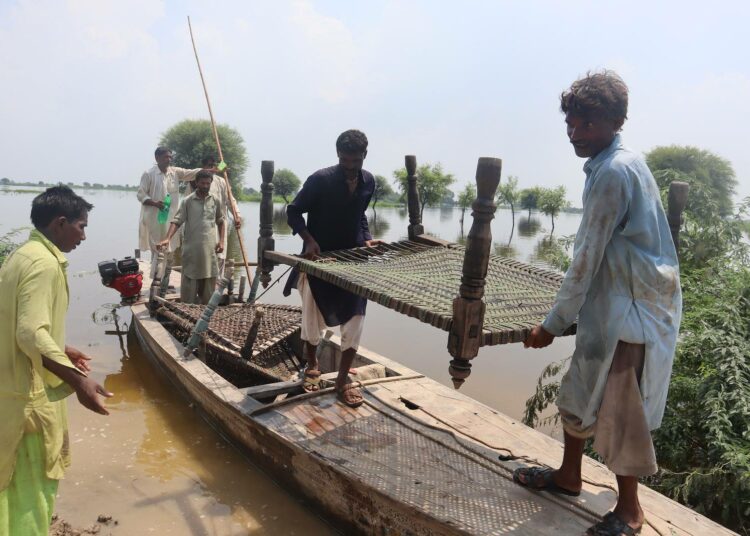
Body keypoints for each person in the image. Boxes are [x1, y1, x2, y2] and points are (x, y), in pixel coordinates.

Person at [514, 71, 681, 536]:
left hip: (634, 310)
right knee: (580, 387)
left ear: (615, 121)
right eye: (570, 123)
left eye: (586, 123)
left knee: (622, 405)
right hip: (615, 300)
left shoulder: (614, 171)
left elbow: (585, 259)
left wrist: (551, 324)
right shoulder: (612, 163)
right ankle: (570, 476)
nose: (574, 133)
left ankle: (629, 510)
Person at [0, 185, 113, 535]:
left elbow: (17, 322)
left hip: (10, 394)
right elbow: (30, 333)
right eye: (82, 226)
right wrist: (78, 382)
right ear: (61, 223)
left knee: (10, 486)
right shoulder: (45, 265)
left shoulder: (21, 256)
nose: (83, 235)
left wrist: (62, 349)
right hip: (30, 404)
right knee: (32, 494)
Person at [283, 129, 380, 408]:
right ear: (338, 155)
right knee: (312, 316)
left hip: (352, 260)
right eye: (345, 160)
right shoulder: (320, 180)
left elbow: (360, 214)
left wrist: (367, 238)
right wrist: (310, 241)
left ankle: (341, 380)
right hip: (319, 258)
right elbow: (293, 212)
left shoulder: (369, 181)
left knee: (355, 318)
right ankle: (312, 363)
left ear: (364, 155)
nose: (350, 166)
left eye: (355, 160)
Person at [158, 170, 225, 304]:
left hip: (209, 251)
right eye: (202, 183)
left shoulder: (215, 200)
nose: (205, 186)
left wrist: (222, 241)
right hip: (191, 251)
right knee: (189, 290)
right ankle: (187, 315)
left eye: (208, 183)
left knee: (209, 289)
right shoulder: (188, 201)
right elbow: (177, 221)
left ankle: (207, 317)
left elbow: (221, 221)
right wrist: (167, 238)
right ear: (196, 183)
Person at [137, 147, 205, 279]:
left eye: (170, 157)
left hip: (171, 221)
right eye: (165, 157)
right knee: (158, 250)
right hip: (154, 220)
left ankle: (165, 282)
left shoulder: (175, 172)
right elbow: (141, 195)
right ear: (157, 158)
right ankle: (156, 281)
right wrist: (155, 203)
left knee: (170, 250)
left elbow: (194, 172)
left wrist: (217, 169)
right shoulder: (148, 174)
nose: (168, 160)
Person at [187, 155, 242, 274]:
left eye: (213, 165)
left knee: (220, 254)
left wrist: (236, 216)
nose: (211, 168)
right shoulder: (194, 182)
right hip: (200, 225)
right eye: (209, 165)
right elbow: (188, 203)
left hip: (219, 224)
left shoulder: (221, 181)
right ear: (203, 167)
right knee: (201, 255)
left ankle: (217, 285)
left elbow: (230, 200)